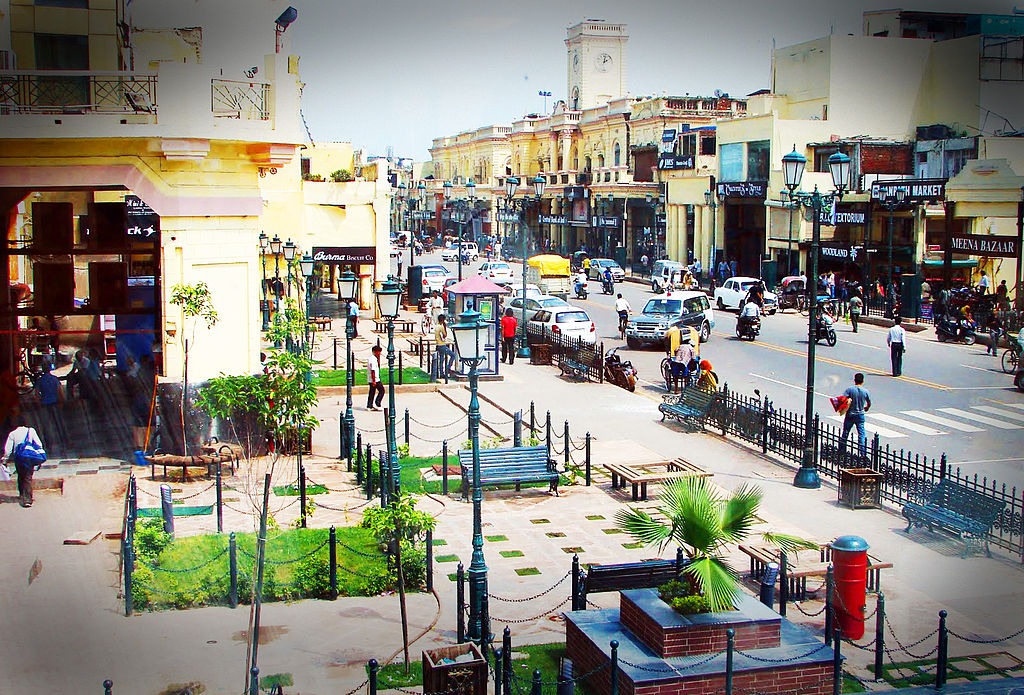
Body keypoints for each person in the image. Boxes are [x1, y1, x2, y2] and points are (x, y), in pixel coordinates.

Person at [4, 416, 44, 507]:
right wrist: (39, 455)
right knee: (28, 477)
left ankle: (22, 494)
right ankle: (28, 499)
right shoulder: (31, 431)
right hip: (29, 457)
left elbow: (8, 449)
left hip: (18, 458)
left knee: (21, 475)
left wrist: (5, 460)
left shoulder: (12, 433)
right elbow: (39, 444)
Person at [838, 373, 871, 459]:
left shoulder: (850, 390)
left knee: (845, 432)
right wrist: (867, 407)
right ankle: (863, 453)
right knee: (861, 434)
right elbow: (869, 402)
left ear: (854, 380)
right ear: (863, 381)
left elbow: (842, 399)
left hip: (850, 414)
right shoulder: (865, 391)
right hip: (860, 414)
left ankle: (842, 450)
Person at [366, 345, 384, 411]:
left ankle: (369, 405)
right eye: (378, 352)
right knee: (382, 391)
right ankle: (377, 403)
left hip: (372, 379)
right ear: (375, 352)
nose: (379, 353)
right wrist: (374, 380)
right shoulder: (373, 360)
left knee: (372, 392)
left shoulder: (372, 359)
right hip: (375, 379)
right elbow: (373, 370)